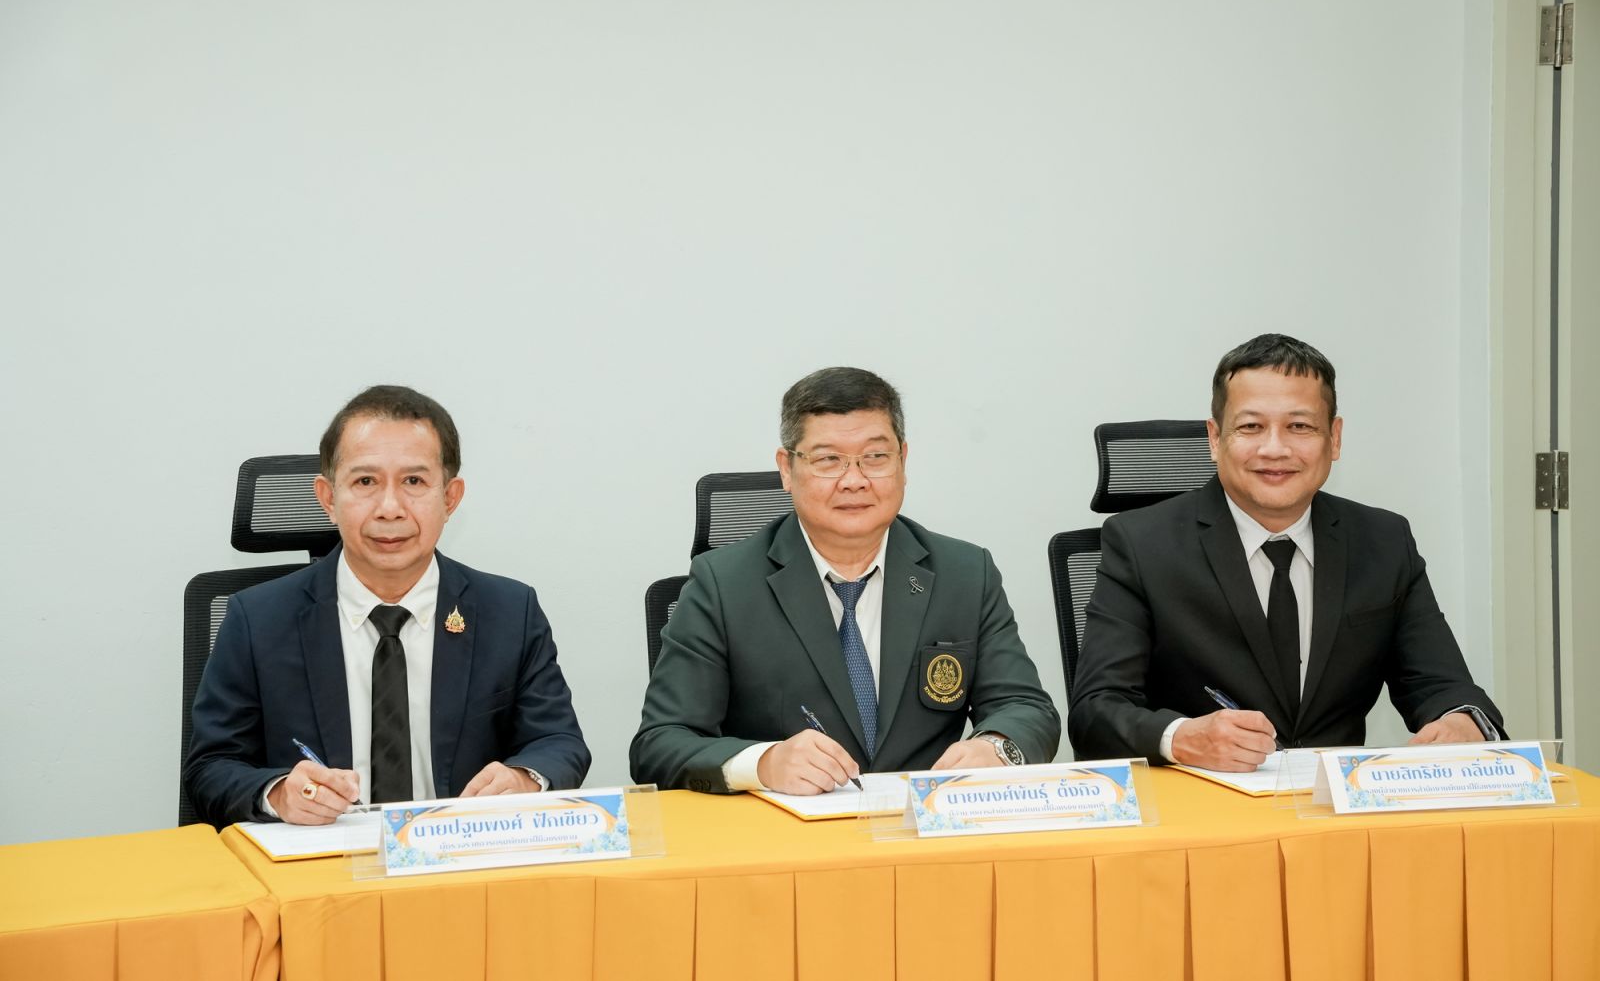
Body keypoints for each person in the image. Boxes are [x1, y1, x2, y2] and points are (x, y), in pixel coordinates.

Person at [1067, 334, 1504, 772]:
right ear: (1215, 438)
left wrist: (1462, 721)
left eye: (1300, 427)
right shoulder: (1141, 544)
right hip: (1202, 798)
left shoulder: (1383, 541)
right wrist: (1180, 738)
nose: (1274, 449)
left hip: (1332, 802)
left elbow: (1443, 685)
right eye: (1251, 427)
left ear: (1334, 438)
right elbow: (1094, 712)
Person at [630, 367, 1059, 794]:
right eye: (828, 460)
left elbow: (1026, 708)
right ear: (786, 469)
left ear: (903, 461)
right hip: (786, 828)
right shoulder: (722, 584)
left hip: (924, 822)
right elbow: (660, 743)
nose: (854, 481)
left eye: (875, 457)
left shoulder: (965, 573)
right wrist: (763, 763)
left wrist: (996, 747)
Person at [184, 386, 589, 826]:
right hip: (321, 859)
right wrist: (279, 793)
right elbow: (211, 767)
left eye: (414, 482)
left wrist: (523, 779)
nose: (390, 508)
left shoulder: (509, 612)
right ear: (328, 498)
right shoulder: (257, 620)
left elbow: (558, 742)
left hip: (459, 854)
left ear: (450, 498)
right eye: (365, 482)